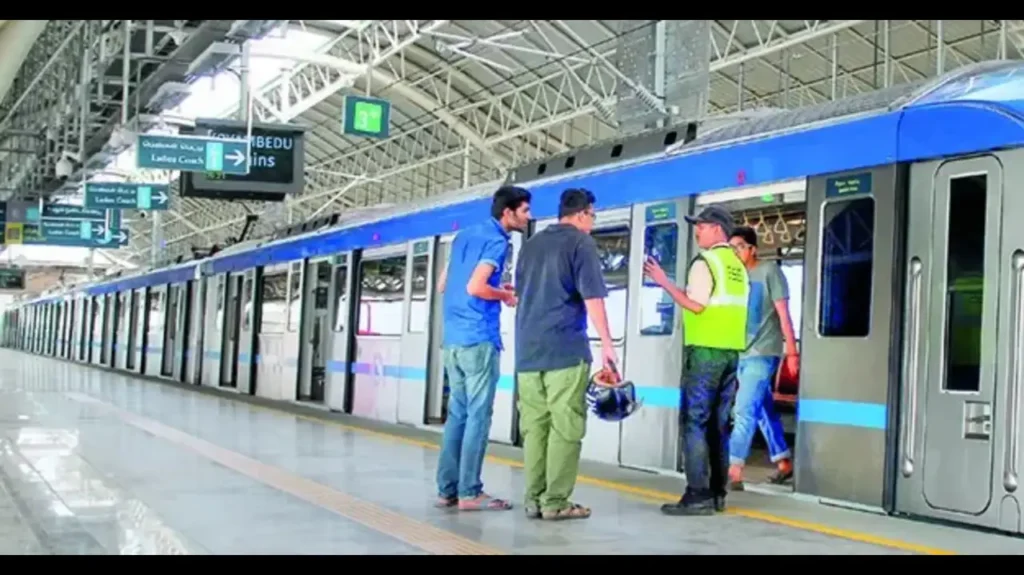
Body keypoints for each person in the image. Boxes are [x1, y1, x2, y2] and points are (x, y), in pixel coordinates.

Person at [514, 188, 617, 521]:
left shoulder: (530, 246)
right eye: (593, 216)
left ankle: (533, 498)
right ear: (583, 213)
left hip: (527, 353)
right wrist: (607, 345)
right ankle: (555, 501)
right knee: (565, 426)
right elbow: (593, 298)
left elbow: (521, 295)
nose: (592, 222)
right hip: (564, 350)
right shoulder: (580, 243)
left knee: (535, 427)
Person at [643, 205, 749, 516]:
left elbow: (696, 305)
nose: (697, 231)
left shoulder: (706, 263)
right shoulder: (737, 266)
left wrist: (664, 282)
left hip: (704, 353)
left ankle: (697, 493)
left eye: (700, 226)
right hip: (731, 354)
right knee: (719, 425)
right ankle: (718, 493)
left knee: (695, 422)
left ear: (717, 229)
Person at [434, 185, 532, 512]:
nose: (528, 216)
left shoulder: (464, 235)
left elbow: (443, 285)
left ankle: (447, 489)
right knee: (478, 415)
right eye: (525, 210)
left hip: (453, 340)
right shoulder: (497, 240)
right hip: (478, 337)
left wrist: (493, 288)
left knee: (457, 415)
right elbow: (475, 286)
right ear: (508, 213)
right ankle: (470, 492)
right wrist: (505, 295)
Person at [726, 226, 796, 489]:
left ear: (753, 248)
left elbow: (784, 314)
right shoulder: (735, 277)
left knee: (743, 410)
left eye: (740, 247)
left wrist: (792, 352)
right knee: (762, 408)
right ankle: (783, 462)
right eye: (731, 248)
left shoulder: (769, 272)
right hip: (740, 353)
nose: (735, 252)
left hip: (763, 353)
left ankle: (733, 471)